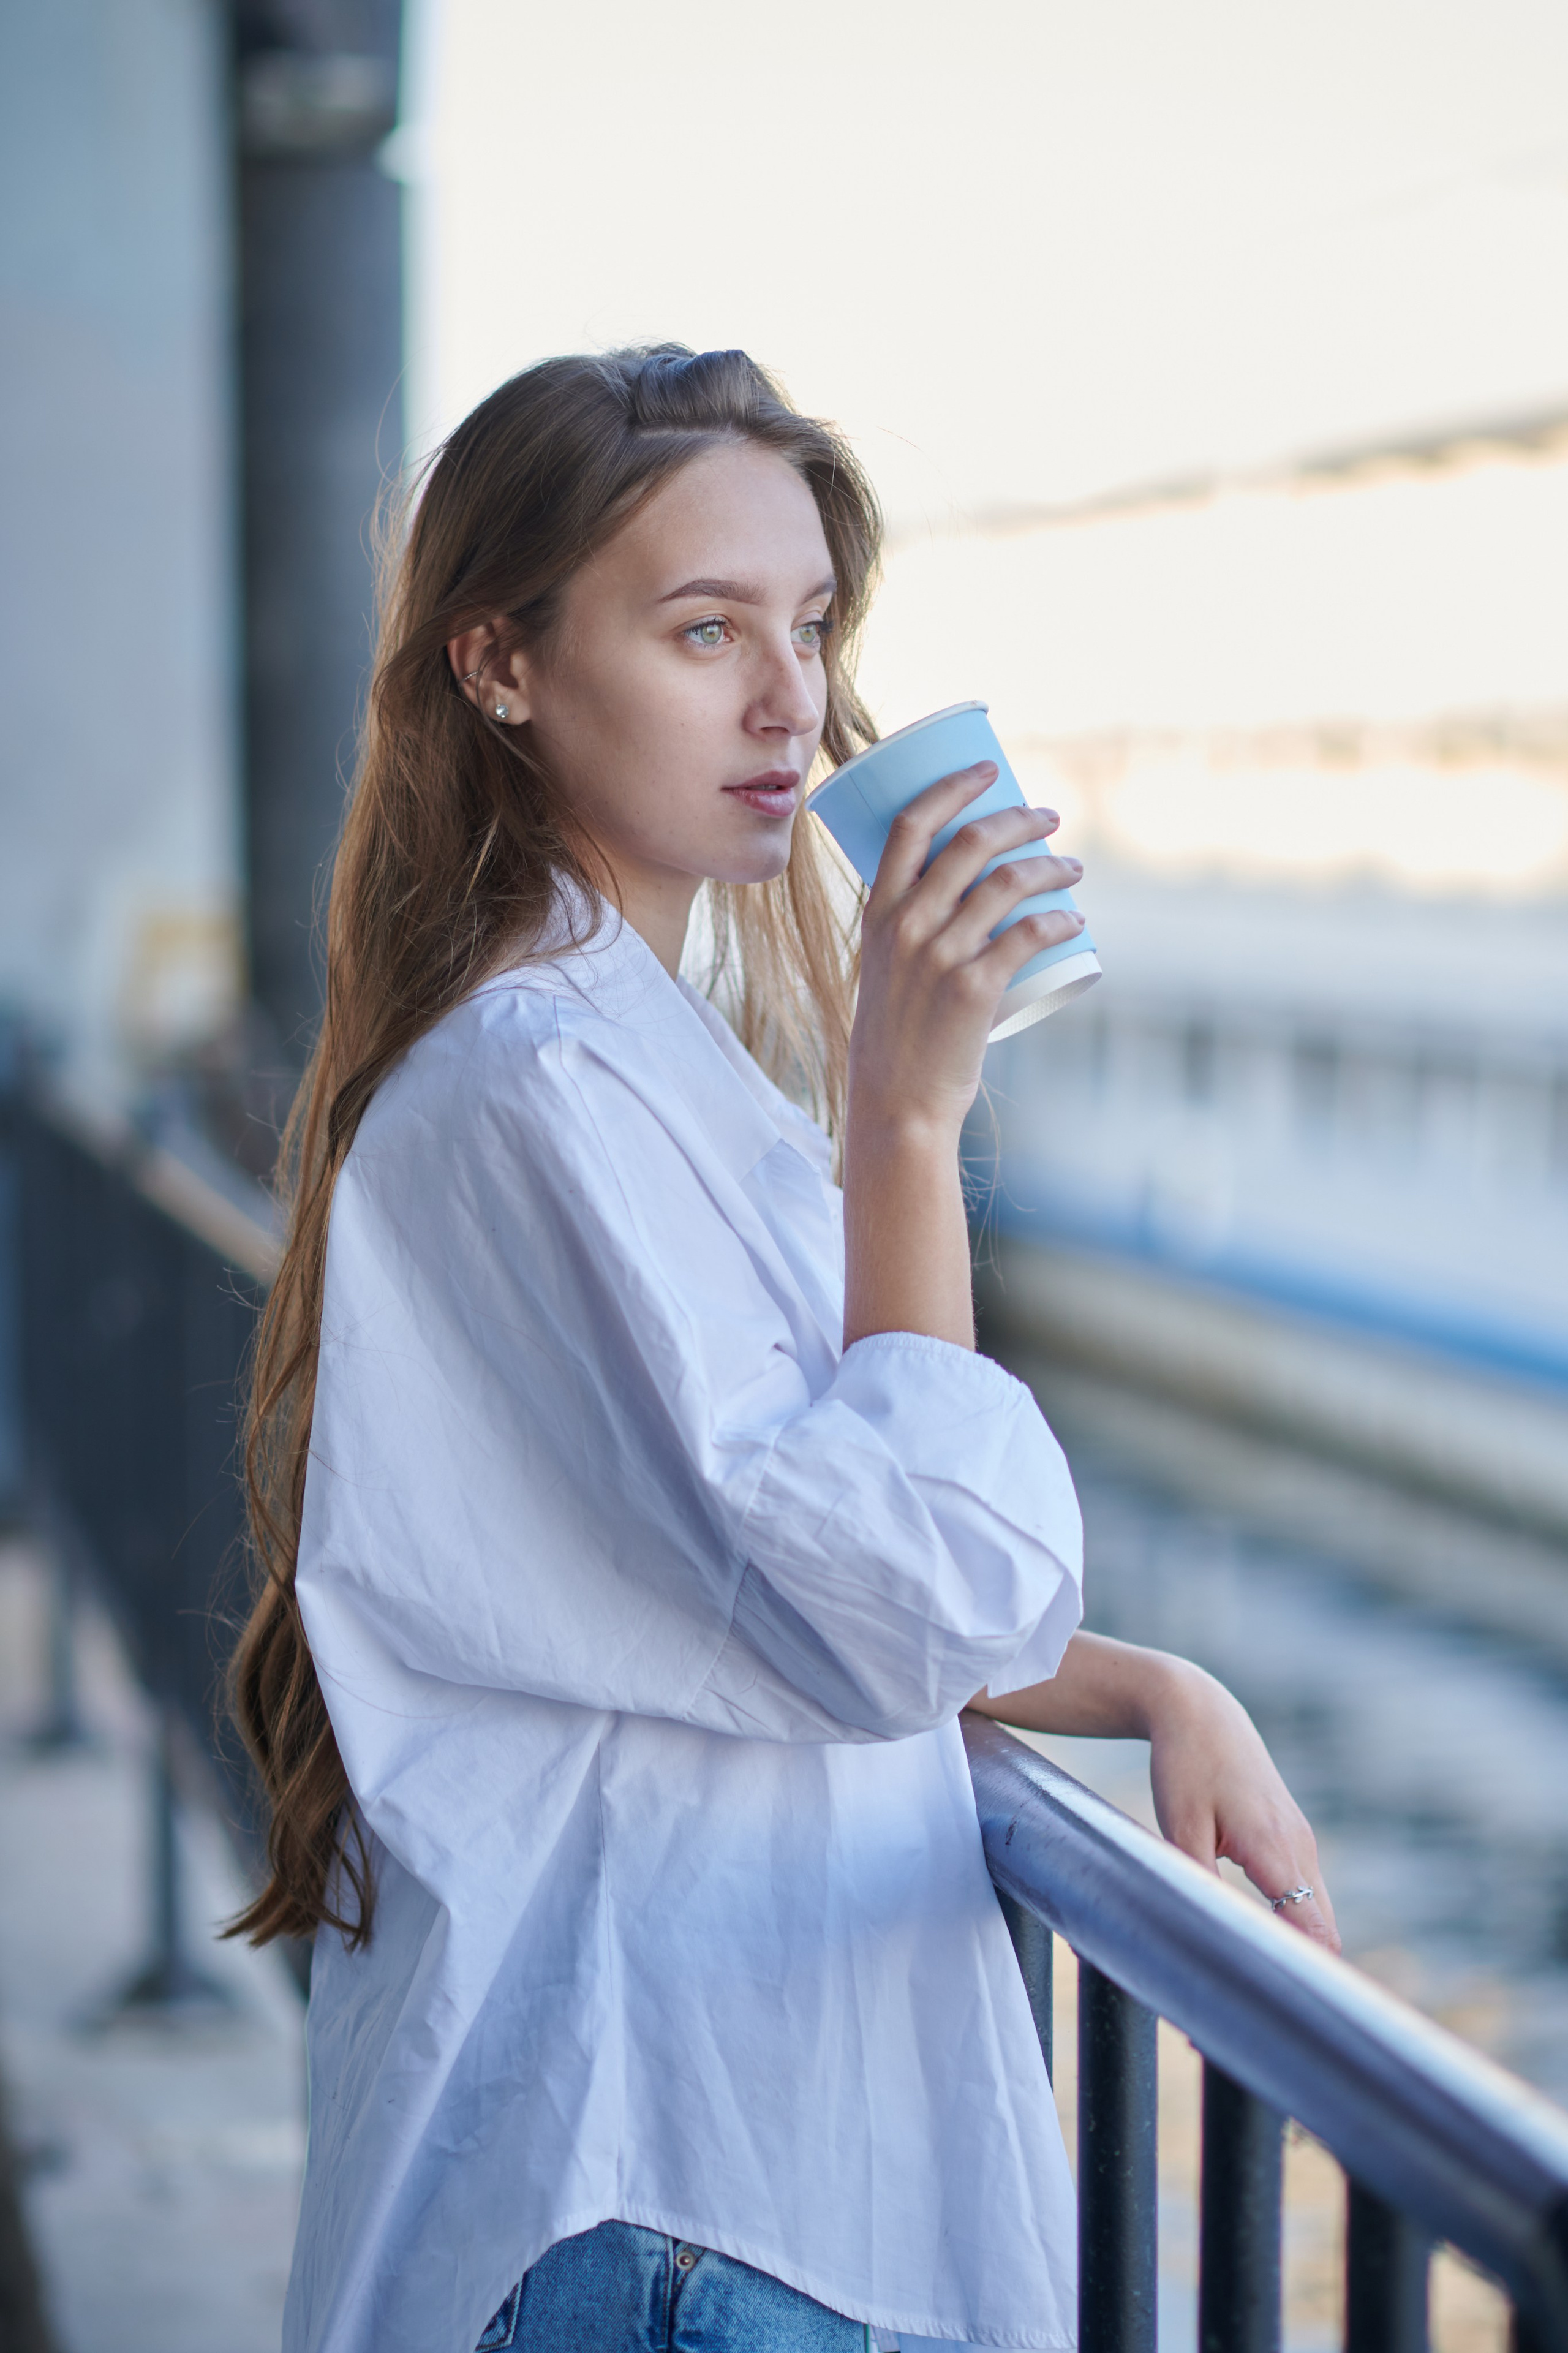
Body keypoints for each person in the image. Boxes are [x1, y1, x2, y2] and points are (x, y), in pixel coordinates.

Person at [228, 346, 1335, 2353]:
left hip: (694, 2173)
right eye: (704, 627)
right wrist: (911, 1116)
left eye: (812, 625)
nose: (791, 703)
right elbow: (888, 1600)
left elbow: (731, 1576)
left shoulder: (613, 1054)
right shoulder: (539, 1085)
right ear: (501, 665)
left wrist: (1144, 1680)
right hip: (676, 2192)